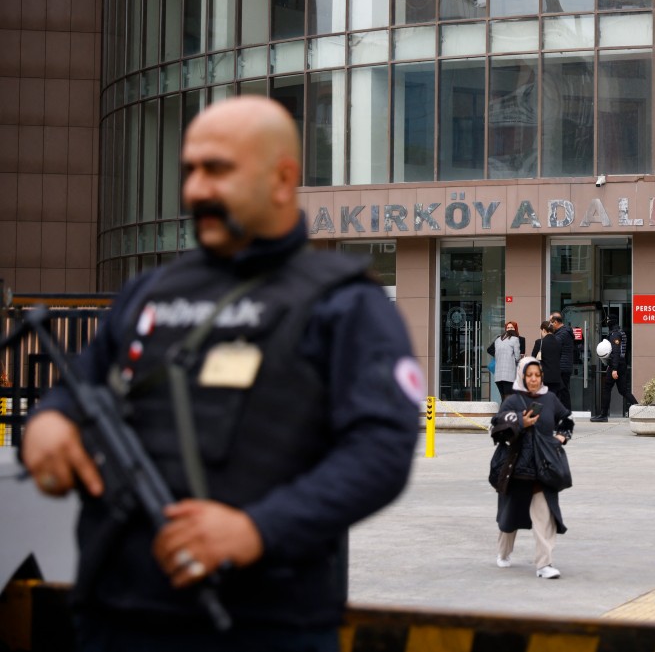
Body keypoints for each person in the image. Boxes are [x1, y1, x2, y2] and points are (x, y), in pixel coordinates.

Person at [19, 96, 421, 651]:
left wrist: (257, 529)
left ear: (283, 179)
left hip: (260, 627)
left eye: (218, 169)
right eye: (189, 170)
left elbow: (380, 452)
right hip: (113, 616)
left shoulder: (345, 303)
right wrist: (50, 425)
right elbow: (78, 387)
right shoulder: (149, 293)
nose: (196, 190)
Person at [490, 357, 574, 579]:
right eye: (530, 375)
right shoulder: (513, 401)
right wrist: (520, 421)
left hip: (543, 467)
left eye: (537, 375)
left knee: (545, 516)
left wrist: (562, 437)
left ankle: (544, 564)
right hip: (516, 469)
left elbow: (567, 419)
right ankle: (503, 552)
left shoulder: (550, 399)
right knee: (509, 519)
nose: (534, 379)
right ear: (522, 376)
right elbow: (497, 426)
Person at [592, 316, 634, 422]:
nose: (606, 322)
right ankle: (639, 408)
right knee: (623, 390)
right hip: (621, 365)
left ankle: (603, 415)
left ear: (611, 322)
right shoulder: (621, 332)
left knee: (607, 388)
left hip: (617, 365)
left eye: (607, 320)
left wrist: (614, 368)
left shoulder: (615, 334)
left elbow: (616, 352)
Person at [549, 313, 576, 413]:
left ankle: (566, 416)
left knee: (562, 393)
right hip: (563, 366)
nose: (549, 325)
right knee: (561, 392)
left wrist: (548, 335)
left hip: (562, 367)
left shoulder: (562, 333)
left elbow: (554, 346)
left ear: (555, 322)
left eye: (550, 323)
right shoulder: (563, 332)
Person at [489, 322, 523, 400]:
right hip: (509, 375)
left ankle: (503, 411)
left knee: (503, 398)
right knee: (508, 398)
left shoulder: (497, 340)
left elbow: (495, 352)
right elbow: (517, 357)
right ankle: (506, 411)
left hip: (498, 376)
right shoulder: (515, 339)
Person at [537, 321, 563, 405]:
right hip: (556, 377)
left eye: (541, 331)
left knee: (543, 401)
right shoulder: (558, 341)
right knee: (553, 401)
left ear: (544, 330)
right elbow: (559, 356)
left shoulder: (540, 342)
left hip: (545, 377)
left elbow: (537, 359)